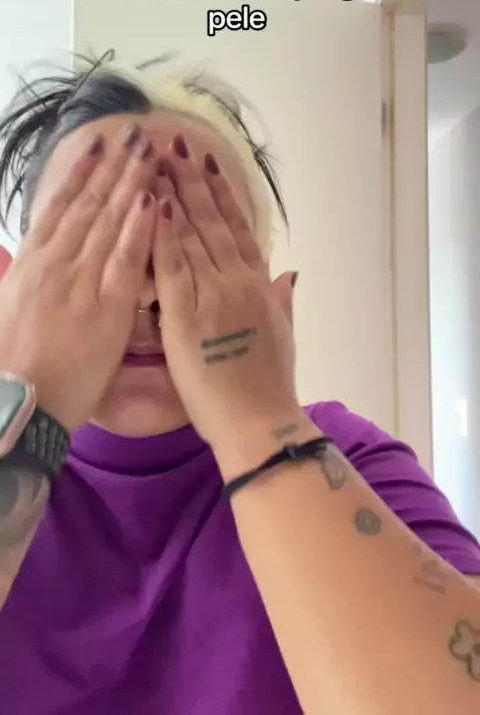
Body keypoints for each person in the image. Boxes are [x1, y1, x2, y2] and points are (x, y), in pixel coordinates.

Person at [0, 54, 479, 715]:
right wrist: (27, 400)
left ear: (274, 305)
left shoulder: (351, 457)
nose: (148, 292)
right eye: (97, 237)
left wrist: (258, 422)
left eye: (198, 242)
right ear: (11, 285)